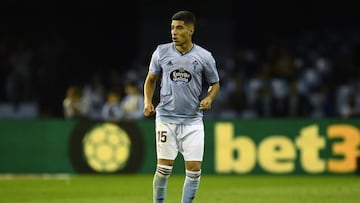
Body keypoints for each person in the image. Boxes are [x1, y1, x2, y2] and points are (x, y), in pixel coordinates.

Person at [143, 10, 220, 203]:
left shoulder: (204, 56)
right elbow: (151, 80)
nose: (174, 32)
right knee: (163, 169)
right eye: (172, 28)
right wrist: (147, 101)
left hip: (193, 121)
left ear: (191, 30)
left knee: (194, 171)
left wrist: (210, 98)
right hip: (166, 118)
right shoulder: (161, 52)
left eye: (179, 27)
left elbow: (215, 84)